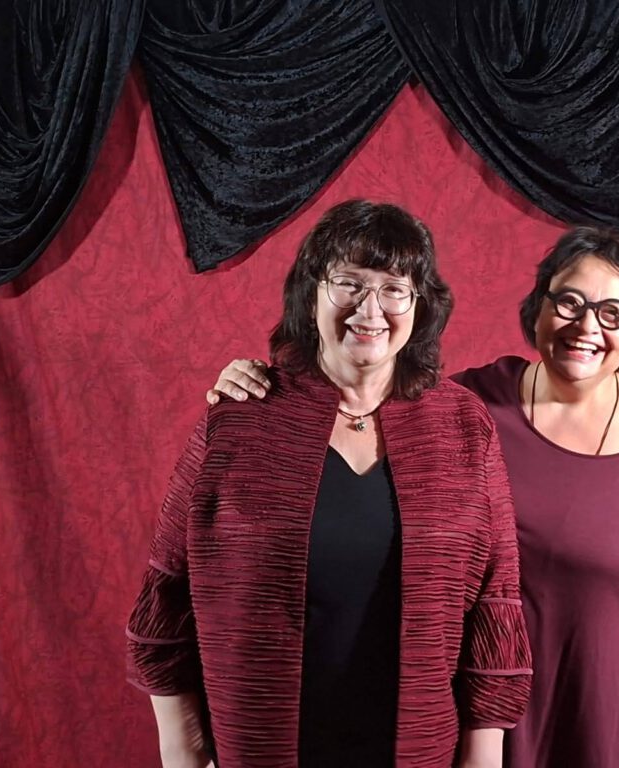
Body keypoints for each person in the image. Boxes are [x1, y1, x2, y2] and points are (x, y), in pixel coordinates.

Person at [207, 226, 619, 768]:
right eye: (569, 302)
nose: (586, 326)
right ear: (538, 306)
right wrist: (260, 384)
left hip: (613, 716)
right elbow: (358, 391)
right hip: (476, 716)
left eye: (614, 313)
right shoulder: (464, 410)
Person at [126, 200, 532, 768]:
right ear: (311, 292)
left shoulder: (463, 424)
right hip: (262, 747)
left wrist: (481, 759)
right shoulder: (240, 418)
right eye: (349, 283)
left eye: (394, 289)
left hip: (417, 751)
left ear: (419, 304)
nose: (371, 309)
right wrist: (185, 751)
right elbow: (167, 593)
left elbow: (495, 598)